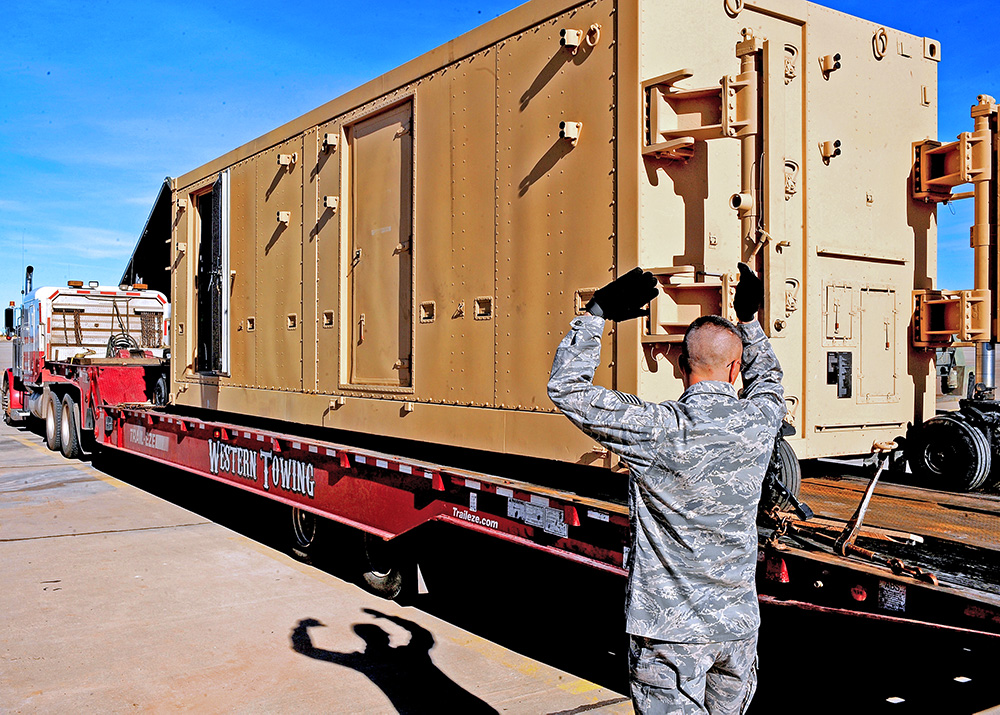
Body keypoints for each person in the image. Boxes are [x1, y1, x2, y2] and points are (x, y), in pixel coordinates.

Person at [547, 264, 784, 714]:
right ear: (736, 369)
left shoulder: (656, 428)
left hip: (669, 632)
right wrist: (749, 321)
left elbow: (567, 388)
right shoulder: (759, 420)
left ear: (679, 365)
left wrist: (596, 314)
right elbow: (770, 382)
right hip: (736, 628)